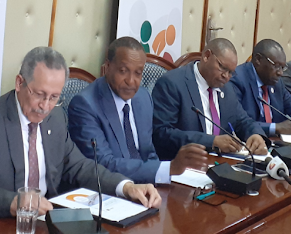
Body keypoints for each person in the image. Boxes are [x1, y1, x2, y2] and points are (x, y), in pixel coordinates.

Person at [0, 47, 162, 223]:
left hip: (46, 224)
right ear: (20, 83)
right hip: (1, 226)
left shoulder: (55, 118)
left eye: (55, 97)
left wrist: (126, 187)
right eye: (39, 94)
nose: (45, 106)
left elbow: (79, 166)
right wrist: (12, 202)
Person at [67, 37, 208, 184]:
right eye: (123, 71)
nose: (131, 81)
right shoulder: (85, 105)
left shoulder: (143, 97)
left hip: (146, 187)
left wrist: (161, 179)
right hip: (111, 190)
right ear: (107, 67)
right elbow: (103, 165)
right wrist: (169, 168)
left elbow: (149, 153)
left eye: (138, 73)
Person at [152, 38, 269, 161]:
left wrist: (255, 134)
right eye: (222, 68)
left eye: (231, 72)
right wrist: (211, 141)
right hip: (182, 165)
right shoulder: (172, 83)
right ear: (207, 56)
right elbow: (161, 134)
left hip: (221, 164)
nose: (226, 76)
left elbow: (242, 120)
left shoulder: (227, 89)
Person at [228, 39, 291, 135]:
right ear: (258, 60)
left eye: (283, 67)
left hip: (278, 142)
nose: (280, 73)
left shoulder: (277, 83)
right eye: (276, 66)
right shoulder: (237, 80)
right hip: (251, 143)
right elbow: (237, 122)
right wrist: (276, 128)